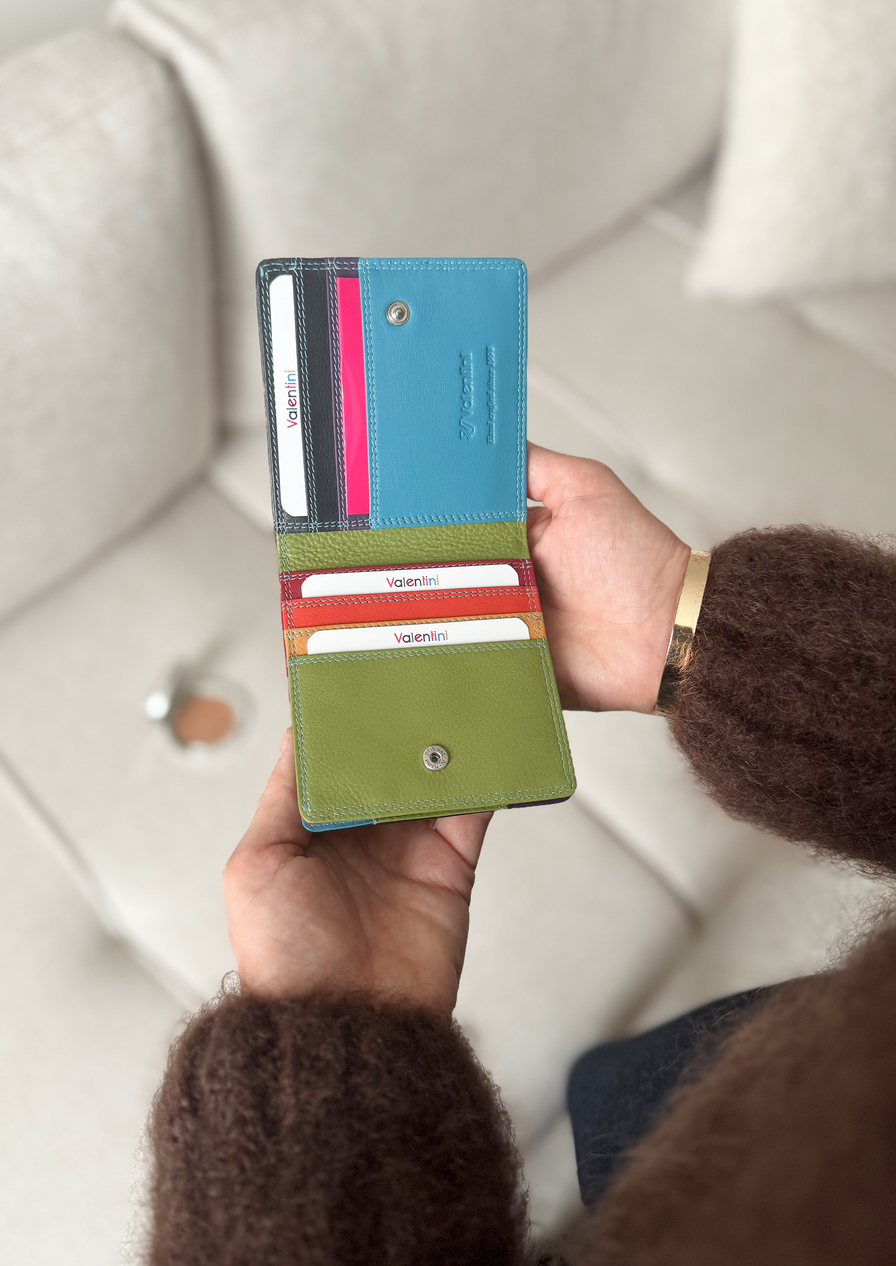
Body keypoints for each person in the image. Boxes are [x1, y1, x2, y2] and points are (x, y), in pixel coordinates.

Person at [143, 445, 896, 1266]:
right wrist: (679, 628)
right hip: (787, 1075)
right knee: (618, 1090)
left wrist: (328, 1054)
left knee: (624, 1101)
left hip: (765, 1153)